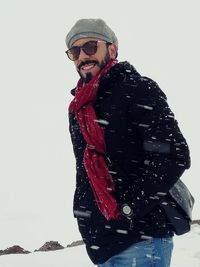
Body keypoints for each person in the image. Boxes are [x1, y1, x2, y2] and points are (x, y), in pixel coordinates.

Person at [65, 18, 191, 267]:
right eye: (75, 51)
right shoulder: (79, 108)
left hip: (142, 240)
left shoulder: (137, 89)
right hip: (103, 243)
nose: (82, 56)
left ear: (112, 50)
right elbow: (85, 171)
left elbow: (173, 155)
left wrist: (128, 209)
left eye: (91, 46)